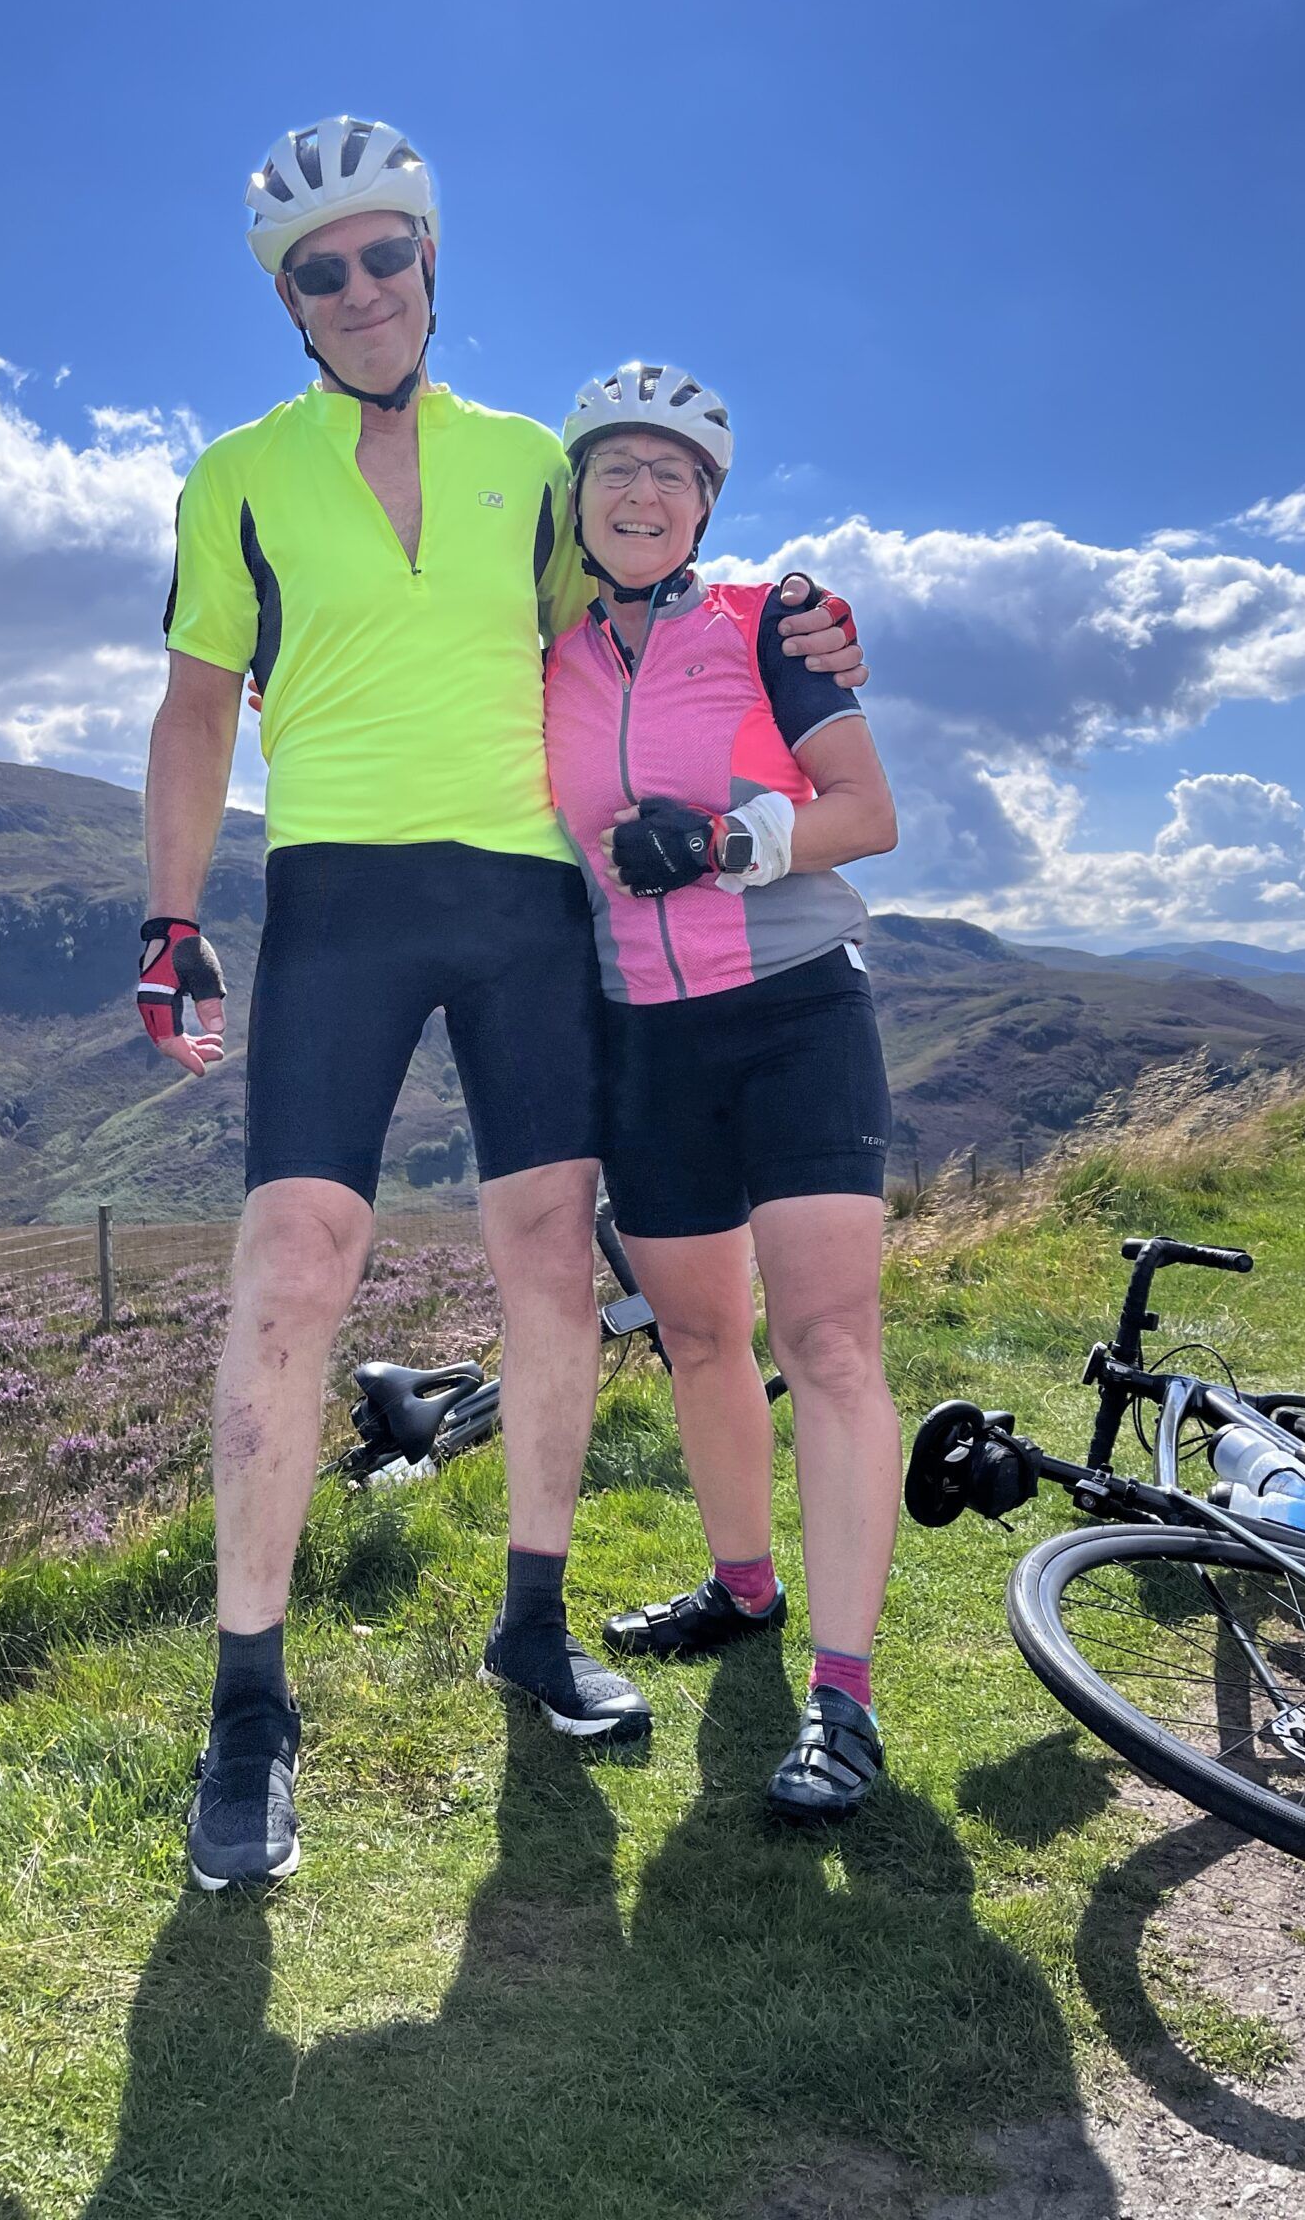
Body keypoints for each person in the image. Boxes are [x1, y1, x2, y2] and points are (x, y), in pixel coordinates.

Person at [138, 120, 869, 1888]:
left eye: (388, 256)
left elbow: (634, 608)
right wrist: (171, 919)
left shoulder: (531, 459)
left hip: (530, 906)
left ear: (433, 265)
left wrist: (801, 623)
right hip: (340, 899)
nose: (364, 290)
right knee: (297, 1260)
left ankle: (532, 1626)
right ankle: (249, 1710)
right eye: (324, 270)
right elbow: (194, 710)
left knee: (554, 1264)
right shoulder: (238, 472)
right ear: (289, 299)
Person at [543, 363, 902, 1823]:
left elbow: (868, 818)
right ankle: (743, 1590)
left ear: (707, 505)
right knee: (698, 1337)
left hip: (797, 1016)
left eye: (674, 473)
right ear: (577, 497)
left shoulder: (772, 625)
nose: (643, 492)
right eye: (617, 467)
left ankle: (845, 1691)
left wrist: (728, 843)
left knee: (825, 1338)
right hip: (645, 1034)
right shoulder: (543, 654)